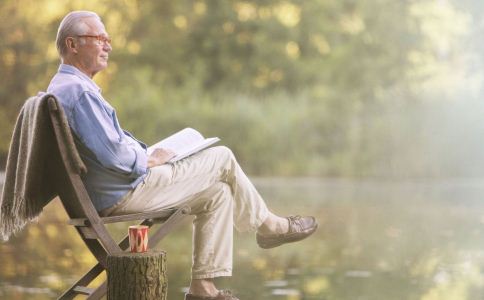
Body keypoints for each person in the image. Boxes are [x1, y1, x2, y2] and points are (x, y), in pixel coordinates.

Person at [47, 11, 318, 300]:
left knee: (218, 191)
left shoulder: (65, 87)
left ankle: (203, 288)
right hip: (122, 192)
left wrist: (144, 153)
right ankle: (270, 226)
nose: (107, 46)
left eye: (107, 39)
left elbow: (108, 148)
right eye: (98, 38)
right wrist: (148, 159)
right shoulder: (79, 93)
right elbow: (114, 155)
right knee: (222, 157)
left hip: (113, 189)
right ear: (73, 44)